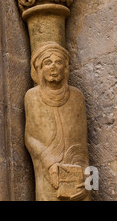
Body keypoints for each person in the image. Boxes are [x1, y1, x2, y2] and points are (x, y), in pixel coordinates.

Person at [24, 42, 90, 201]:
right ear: (39, 69)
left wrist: (87, 178)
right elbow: (30, 138)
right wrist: (49, 162)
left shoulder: (76, 96)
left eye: (58, 62)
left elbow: (83, 144)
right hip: (48, 169)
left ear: (66, 68)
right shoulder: (32, 96)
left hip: (77, 171)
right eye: (48, 62)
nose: (53, 67)